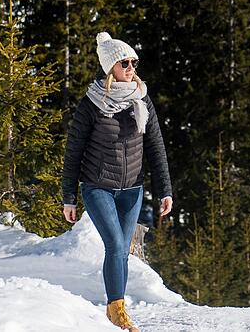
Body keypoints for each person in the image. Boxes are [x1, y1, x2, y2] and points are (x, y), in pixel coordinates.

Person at [62, 32, 173, 331]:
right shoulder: (91, 104)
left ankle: (117, 307)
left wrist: (165, 190)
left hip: (132, 189)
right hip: (98, 187)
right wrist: (69, 197)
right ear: (110, 66)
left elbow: (155, 146)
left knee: (123, 250)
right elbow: (73, 152)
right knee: (114, 245)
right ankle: (117, 312)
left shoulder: (141, 98)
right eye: (125, 63)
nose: (131, 68)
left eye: (134, 62)